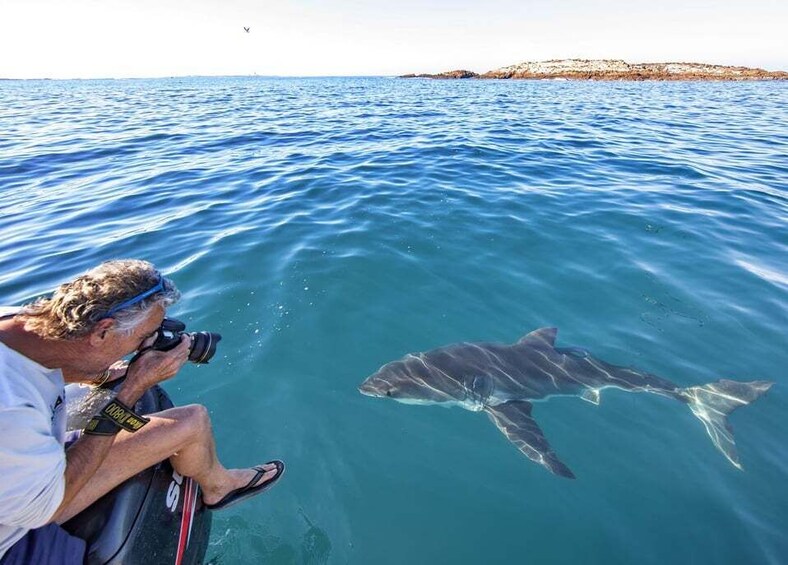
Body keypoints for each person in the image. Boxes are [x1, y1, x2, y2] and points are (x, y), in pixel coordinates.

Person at [0, 259, 284, 564]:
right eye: (141, 337)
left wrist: (106, 373)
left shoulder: (21, 325)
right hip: (23, 522)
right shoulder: (13, 410)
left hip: (19, 474)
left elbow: (50, 365)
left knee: (192, 422)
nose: (142, 346)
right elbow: (49, 506)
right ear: (102, 331)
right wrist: (132, 387)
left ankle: (218, 486)